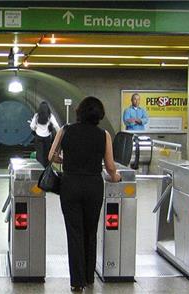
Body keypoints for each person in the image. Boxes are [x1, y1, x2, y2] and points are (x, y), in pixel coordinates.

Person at [47, 96, 121, 291]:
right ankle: (89, 278)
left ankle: (76, 282)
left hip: (70, 185)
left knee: (74, 233)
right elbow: (110, 165)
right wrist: (116, 177)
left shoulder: (65, 130)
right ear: (99, 114)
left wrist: (66, 160)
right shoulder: (103, 134)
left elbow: (51, 156)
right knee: (90, 232)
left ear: (79, 112)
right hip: (93, 186)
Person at [30, 101, 60, 167]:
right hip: (47, 137)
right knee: (46, 154)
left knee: (39, 154)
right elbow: (56, 126)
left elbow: (32, 126)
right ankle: (46, 170)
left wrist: (35, 128)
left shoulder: (36, 116)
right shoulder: (50, 116)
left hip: (38, 137)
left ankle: (40, 168)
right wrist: (59, 134)